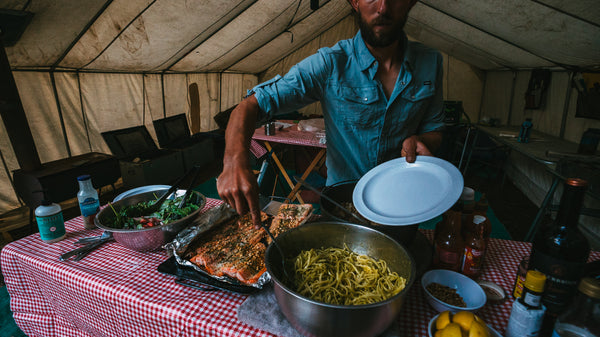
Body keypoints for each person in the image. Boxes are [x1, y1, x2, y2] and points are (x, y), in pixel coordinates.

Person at [218, 0, 445, 227]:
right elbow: (251, 105)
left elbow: (434, 130)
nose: (383, 8)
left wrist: (421, 140)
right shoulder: (330, 64)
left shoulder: (430, 62)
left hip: (403, 203)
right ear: (355, 2)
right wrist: (233, 162)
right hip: (343, 207)